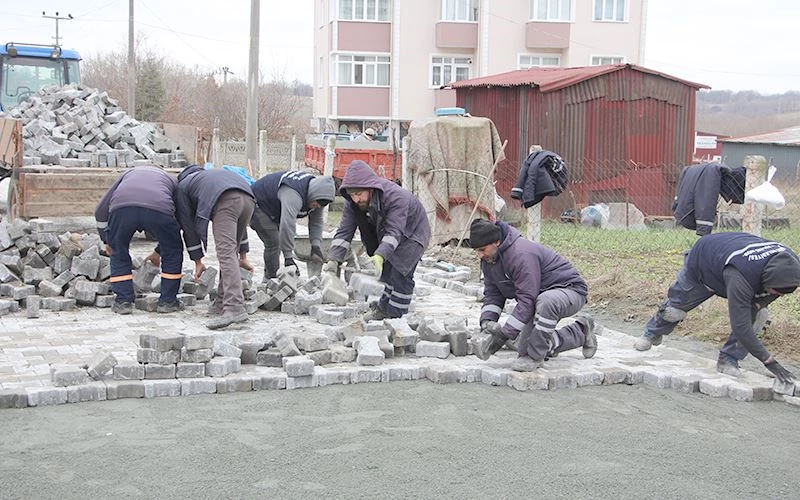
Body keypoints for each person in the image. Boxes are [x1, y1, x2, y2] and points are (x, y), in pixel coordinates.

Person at [634, 232, 800, 383]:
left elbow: (775, 292)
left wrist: (760, 303)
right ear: (767, 279)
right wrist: (769, 361)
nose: (778, 296)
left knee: (758, 315)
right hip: (704, 264)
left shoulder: (791, 266)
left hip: (734, 263)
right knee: (674, 311)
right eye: (775, 292)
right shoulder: (741, 276)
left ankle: (728, 359)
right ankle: (652, 332)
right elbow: (740, 327)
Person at [469, 218, 597, 371]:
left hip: (569, 290)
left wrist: (504, 334)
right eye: (476, 251)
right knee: (523, 345)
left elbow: (527, 299)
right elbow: (493, 293)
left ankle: (535, 357)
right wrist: (487, 323)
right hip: (538, 298)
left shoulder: (520, 254)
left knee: (545, 305)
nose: (479, 255)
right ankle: (581, 331)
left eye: (482, 250)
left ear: (496, 242)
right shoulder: (489, 260)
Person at [324, 160, 430, 320]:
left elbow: (394, 231)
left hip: (413, 232)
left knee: (401, 273)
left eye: (359, 194)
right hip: (387, 232)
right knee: (387, 274)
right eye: (352, 195)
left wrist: (381, 254)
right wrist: (334, 259)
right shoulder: (352, 204)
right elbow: (345, 231)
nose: (356, 199)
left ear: (371, 188)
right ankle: (383, 309)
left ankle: (396, 318)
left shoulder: (395, 197)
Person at [95, 165, 184, 315]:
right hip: (159, 209)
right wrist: (162, 250)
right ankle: (168, 302)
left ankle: (123, 302)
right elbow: (179, 218)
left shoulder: (127, 174)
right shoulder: (171, 180)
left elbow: (100, 211)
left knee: (119, 251)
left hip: (123, 209)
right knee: (173, 250)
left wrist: (108, 241)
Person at [176, 165, 256, 330]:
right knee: (230, 252)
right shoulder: (211, 176)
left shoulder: (183, 186)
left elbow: (187, 227)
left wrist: (197, 261)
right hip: (248, 198)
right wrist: (243, 256)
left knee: (225, 254)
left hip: (226, 200)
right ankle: (221, 302)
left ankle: (234, 307)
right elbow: (239, 235)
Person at [250, 170, 336, 281]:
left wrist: (316, 246)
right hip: (256, 203)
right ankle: (271, 281)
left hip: (275, 209)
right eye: (317, 202)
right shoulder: (293, 194)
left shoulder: (318, 196)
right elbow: (288, 224)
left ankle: (269, 278)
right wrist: (288, 258)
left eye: (322, 204)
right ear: (312, 194)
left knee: (277, 241)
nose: (318, 206)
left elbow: (316, 222)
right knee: (273, 242)